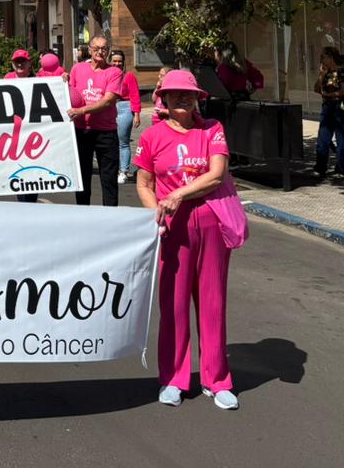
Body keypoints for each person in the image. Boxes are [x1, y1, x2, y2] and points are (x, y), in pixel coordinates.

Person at [134, 70, 237, 411]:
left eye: (188, 94)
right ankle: (174, 379)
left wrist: (179, 193)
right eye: (175, 94)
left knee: (212, 303)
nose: (182, 99)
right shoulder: (152, 137)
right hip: (172, 231)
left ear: (198, 99)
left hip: (211, 223)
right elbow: (144, 183)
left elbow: (216, 173)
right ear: (162, 99)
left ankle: (217, 379)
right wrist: (157, 215)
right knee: (174, 306)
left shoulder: (212, 130)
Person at [67, 36, 122, 206]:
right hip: (81, 130)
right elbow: (69, 93)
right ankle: (83, 215)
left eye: (104, 49)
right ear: (89, 50)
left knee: (109, 179)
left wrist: (81, 110)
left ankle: (110, 217)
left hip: (106, 132)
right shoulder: (77, 69)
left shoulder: (114, 72)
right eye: (96, 48)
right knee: (82, 177)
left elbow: (108, 101)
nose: (100, 52)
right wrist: (61, 80)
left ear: (108, 51)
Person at [315, 46, 344, 179]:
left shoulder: (343, 72)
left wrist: (328, 94)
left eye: (323, 57)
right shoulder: (325, 73)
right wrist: (321, 76)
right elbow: (316, 89)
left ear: (330, 57)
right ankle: (320, 168)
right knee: (322, 139)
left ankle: (342, 169)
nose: (321, 60)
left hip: (340, 109)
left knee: (341, 140)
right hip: (327, 109)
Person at [110, 48, 142, 183]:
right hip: (109, 107)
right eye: (114, 61)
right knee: (110, 142)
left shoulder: (129, 76)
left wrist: (136, 114)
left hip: (124, 108)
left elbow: (135, 95)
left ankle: (123, 171)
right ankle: (114, 169)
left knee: (123, 142)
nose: (117, 64)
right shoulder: (107, 74)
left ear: (123, 63)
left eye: (120, 62)